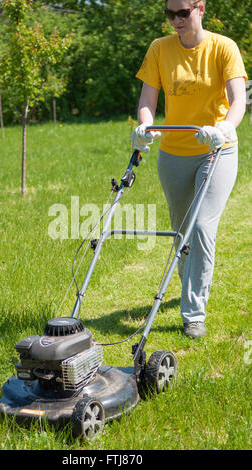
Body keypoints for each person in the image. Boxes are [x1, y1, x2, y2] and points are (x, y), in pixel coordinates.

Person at [132, 0, 247, 338]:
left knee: (200, 227)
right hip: (173, 152)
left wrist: (224, 128)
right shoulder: (159, 49)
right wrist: (145, 127)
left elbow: (238, 100)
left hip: (217, 149)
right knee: (181, 230)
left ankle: (193, 311)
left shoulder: (223, 48)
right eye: (170, 14)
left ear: (201, 9)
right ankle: (191, 284)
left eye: (183, 13)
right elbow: (147, 101)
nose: (176, 20)